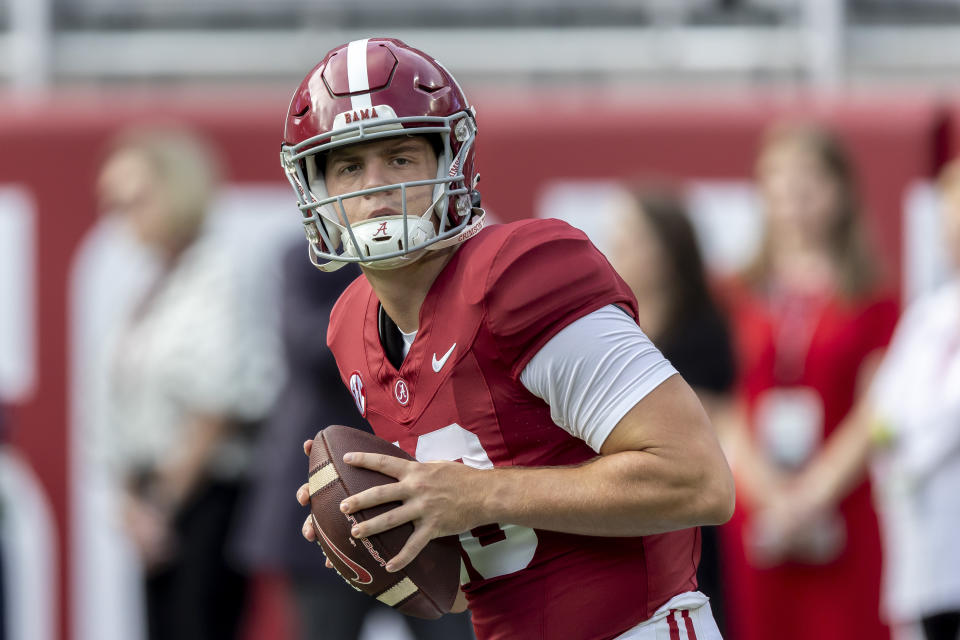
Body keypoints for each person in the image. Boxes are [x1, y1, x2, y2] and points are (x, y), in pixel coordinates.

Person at [284, 37, 734, 640]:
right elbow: (486, 564)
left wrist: (481, 496)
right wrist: (382, 530)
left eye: (400, 158)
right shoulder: (351, 326)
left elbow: (697, 480)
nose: (375, 187)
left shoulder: (521, 276)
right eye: (347, 165)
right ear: (316, 192)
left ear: (451, 161)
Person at [237, 241, 475, 640]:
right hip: (330, 501)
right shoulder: (309, 257)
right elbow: (312, 350)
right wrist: (400, 287)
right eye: (350, 172)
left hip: (430, 497)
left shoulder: (452, 253)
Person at [97, 127, 280, 640]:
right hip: (163, 496)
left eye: (135, 199)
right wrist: (135, 498)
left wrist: (161, 505)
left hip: (205, 497)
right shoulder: (156, 282)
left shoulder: (218, 275)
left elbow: (214, 404)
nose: (122, 215)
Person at [719, 121, 899, 640]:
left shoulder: (873, 298)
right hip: (758, 512)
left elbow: (876, 412)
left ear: (841, 191)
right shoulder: (738, 292)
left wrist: (814, 492)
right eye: (778, 181)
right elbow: (724, 405)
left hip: (841, 512)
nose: (792, 197)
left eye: (808, 181)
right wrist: (769, 493)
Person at [769, 158, 960, 640]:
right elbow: (887, 408)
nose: (953, 238)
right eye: (948, 224)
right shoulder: (931, 315)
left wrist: (898, 440)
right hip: (929, 549)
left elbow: (938, 422)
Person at [606, 184, 737, 637]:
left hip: (691, 518)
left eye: (633, 237)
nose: (617, 249)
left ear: (668, 250)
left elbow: (713, 426)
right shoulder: (610, 327)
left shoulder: (704, 331)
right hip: (631, 513)